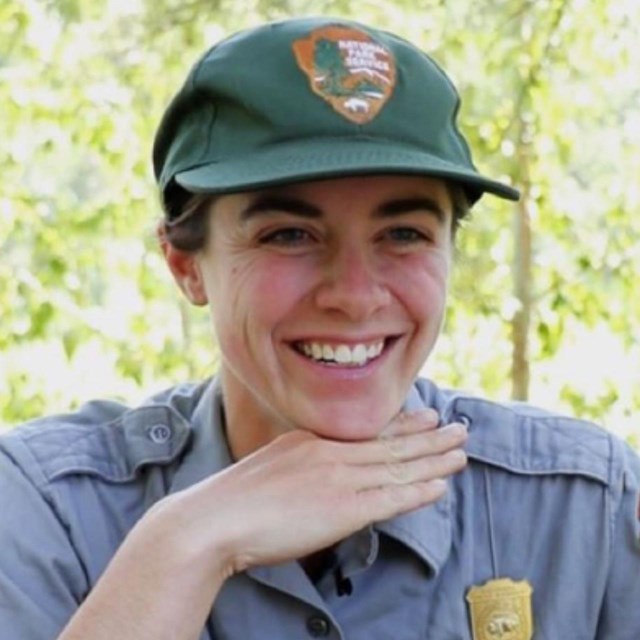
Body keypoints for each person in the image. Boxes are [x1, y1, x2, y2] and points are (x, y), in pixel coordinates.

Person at [1, 16, 638, 640]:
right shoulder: (47, 511)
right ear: (186, 265)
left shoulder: (584, 510)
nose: (355, 296)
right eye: (289, 235)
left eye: (403, 235)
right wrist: (184, 544)